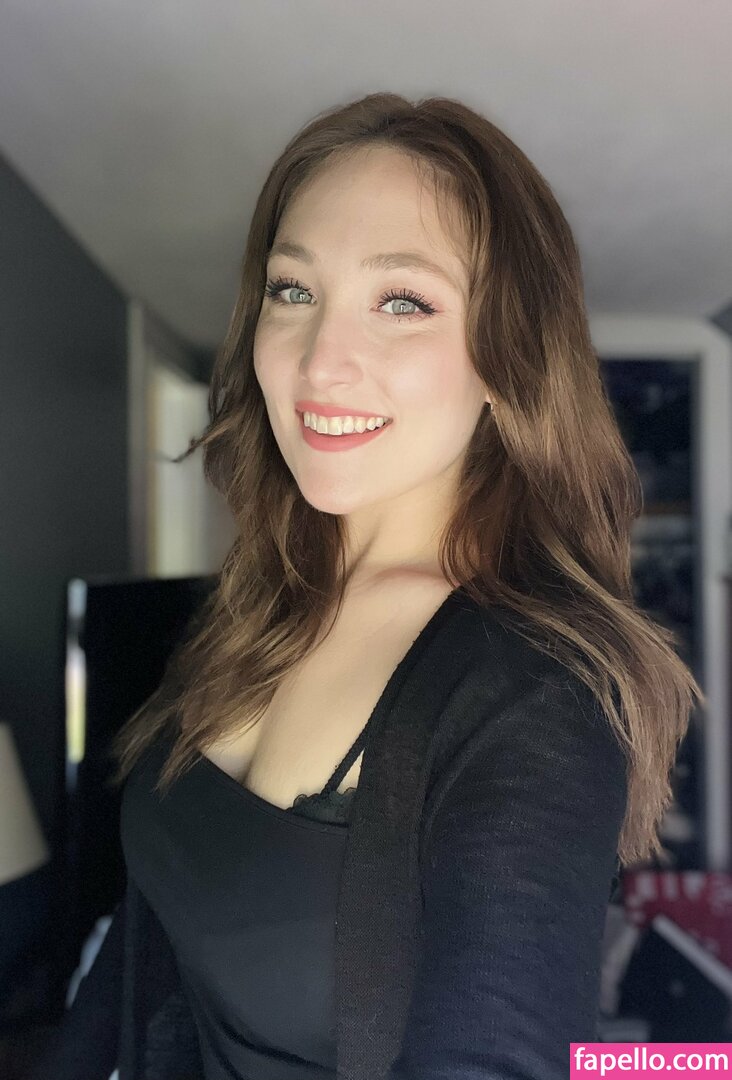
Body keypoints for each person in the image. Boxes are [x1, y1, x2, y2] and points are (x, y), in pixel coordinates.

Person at [32, 92, 704, 1080]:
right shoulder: (258, 607)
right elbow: (145, 948)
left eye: (402, 301)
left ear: (507, 358)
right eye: (292, 290)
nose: (320, 362)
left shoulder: (536, 691)